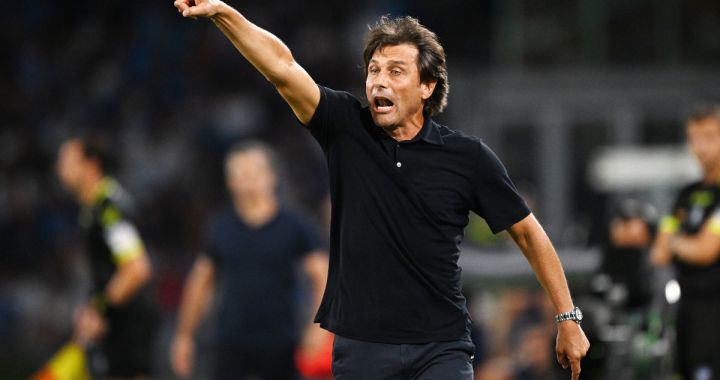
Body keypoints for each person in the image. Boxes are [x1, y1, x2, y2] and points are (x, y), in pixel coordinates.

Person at [172, 2, 590, 379]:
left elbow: (528, 233)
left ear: (427, 87)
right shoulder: (344, 128)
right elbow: (282, 67)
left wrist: (566, 316)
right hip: (362, 351)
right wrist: (224, 14)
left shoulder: (468, 157)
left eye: (395, 71)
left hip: (440, 349)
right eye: (373, 70)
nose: (379, 82)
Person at [170, 141, 330, 380]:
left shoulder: (294, 225)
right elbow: (200, 281)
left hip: (281, 342)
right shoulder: (220, 228)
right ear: (229, 181)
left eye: (254, 172)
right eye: (239, 174)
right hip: (230, 341)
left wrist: (318, 326)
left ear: (271, 176)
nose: (247, 180)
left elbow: (323, 275)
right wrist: (184, 335)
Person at [56, 136, 158, 379]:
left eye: (67, 161)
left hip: (129, 324)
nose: (60, 168)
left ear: (91, 164)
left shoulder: (110, 208)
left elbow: (137, 268)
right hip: (117, 323)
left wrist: (98, 310)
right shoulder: (91, 209)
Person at [651, 106, 720, 379]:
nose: (700, 146)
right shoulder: (685, 195)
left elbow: (705, 250)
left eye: (710, 136)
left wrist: (676, 242)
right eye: (693, 137)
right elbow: (659, 253)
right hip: (687, 313)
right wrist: (682, 243)